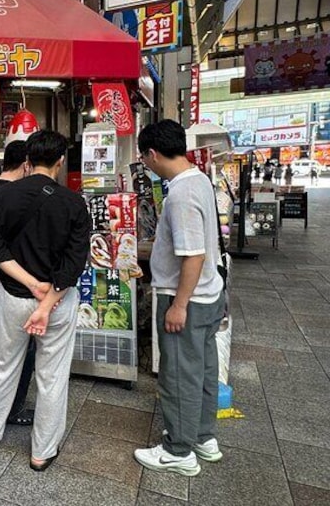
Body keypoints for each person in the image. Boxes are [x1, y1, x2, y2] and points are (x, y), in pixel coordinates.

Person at [0, 130, 90, 472]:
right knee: (53, 376)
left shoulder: (1, 197)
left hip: (14, 297)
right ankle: (42, 452)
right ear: (61, 161)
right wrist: (47, 301)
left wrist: (31, 285)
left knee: (1, 366)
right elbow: (74, 263)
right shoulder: (75, 203)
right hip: (59, 303)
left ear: (28, 161)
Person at [133, 120, 225, 477]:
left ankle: (178, 450)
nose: (146, 165)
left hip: (188, 297)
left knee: (178, 375)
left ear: (152, 154)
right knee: (202, 369)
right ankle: (203, 436)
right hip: (208, 294)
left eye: (144, 159)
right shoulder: (198, 179)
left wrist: (179, 304)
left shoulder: (181, 194)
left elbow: (194, 254)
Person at [0, 140, 35, 427]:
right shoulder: (15, 195)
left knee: (2, 350)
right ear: (26, 163)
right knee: (22, 349)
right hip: (15, 282)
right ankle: (13, 408)